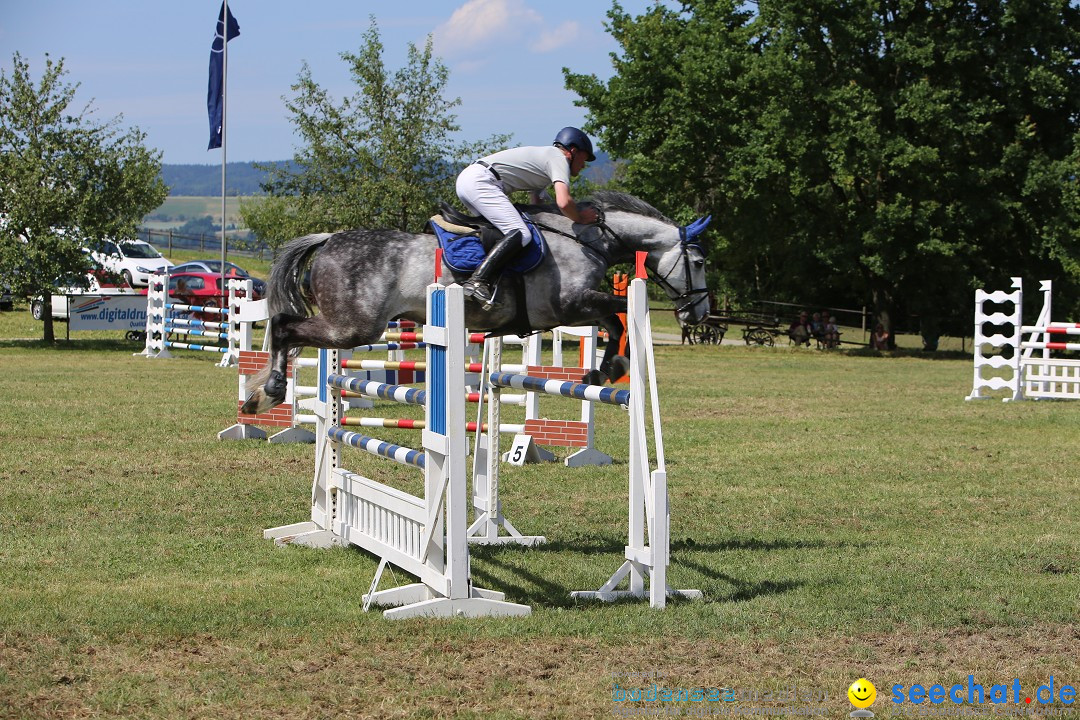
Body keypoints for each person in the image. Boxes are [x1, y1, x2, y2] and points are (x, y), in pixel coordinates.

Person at [455, 127, 600, 309]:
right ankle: (477, 281)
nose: (584, 165)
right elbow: (564, 202)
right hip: (481, 182)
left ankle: (492, 282)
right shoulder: (558, 159)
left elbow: (537, 202)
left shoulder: (546, 160)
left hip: (473, 180)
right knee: (521, 233)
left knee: (501, 235)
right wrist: (580, 217)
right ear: (573, 151)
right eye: (584, 159)